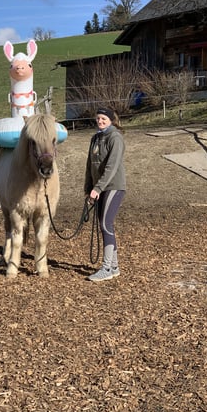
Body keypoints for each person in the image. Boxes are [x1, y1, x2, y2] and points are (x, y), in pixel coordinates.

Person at [84, 107, 127, 282]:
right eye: (98, 119)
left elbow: (111, 167)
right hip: (99, 188)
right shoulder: (95, 138)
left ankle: (107, 267)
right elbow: (90, 165)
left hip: (113, 186)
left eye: (103, 119)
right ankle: (114, 266)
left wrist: (98, 188)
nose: (100, 121)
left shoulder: (115, 138)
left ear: (111, 120)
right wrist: (88, 188)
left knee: (105, 223)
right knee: (105, 224)